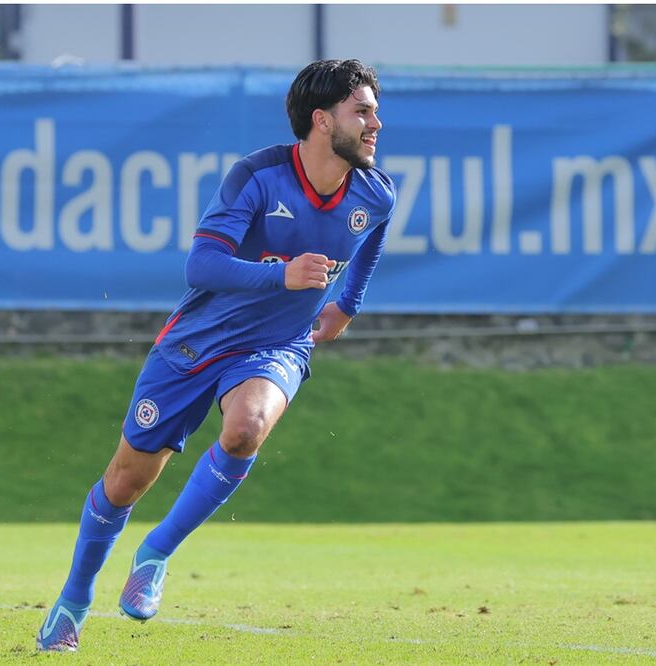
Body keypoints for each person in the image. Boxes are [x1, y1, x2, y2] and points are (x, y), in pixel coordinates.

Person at [37, 58, 395, 652]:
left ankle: (155, 554)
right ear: (321, 120)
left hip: (276, 345)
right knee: (125, 481)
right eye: (362, 111)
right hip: (196, 342)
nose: (375, 123)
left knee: (246, 429)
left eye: (375, 112)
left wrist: (348, 304)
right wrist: (282, 276)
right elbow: (200, 266)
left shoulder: (374, 192)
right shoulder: (256, 176)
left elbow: (374, 233)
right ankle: (75, 598)